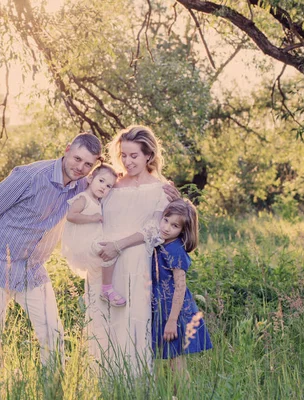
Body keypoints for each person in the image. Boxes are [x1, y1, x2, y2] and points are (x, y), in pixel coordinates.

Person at [0, 132, 102, 366]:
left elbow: (115, 184)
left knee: (53, 333)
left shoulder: (82, 185)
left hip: (32, 269)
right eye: (77, 159)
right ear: (67, 148)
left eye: (88, 164)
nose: (80, 167)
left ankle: (53, 388)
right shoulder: (30, 176)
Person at [89, 125, 178, 375]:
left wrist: (120, 245)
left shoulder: (161, 190)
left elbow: (155, 231)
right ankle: (104, 385)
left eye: (134, 155)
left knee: (132, 322)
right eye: (124, 155)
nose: (127, 161)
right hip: (105, 262)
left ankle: (134, 384)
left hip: (136, 262)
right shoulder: (112, 184)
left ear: (149, 155)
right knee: (102, 325)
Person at [151, 199, 212, 374]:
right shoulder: (160, 243)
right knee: (160, 358)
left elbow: (180, 287)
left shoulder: (175, 250)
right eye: (165, 220)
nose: (167, 227)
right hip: (160, 309)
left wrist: (172, 321)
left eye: (175, 225)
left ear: (183, 231)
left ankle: (183, 393)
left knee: (176, 361)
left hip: (174, 312)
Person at [61, 164, 127, 307]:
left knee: (110, 251)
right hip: (84, 243)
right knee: (111, 249)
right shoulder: (83, 198)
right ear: (90, 179)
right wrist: (93, 218)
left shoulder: (98, 201)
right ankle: (107, 289)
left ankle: (95, 296)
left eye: (109, 186)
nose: (104, 187)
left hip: (92, 241)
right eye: (101, 181)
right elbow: (71, 216)